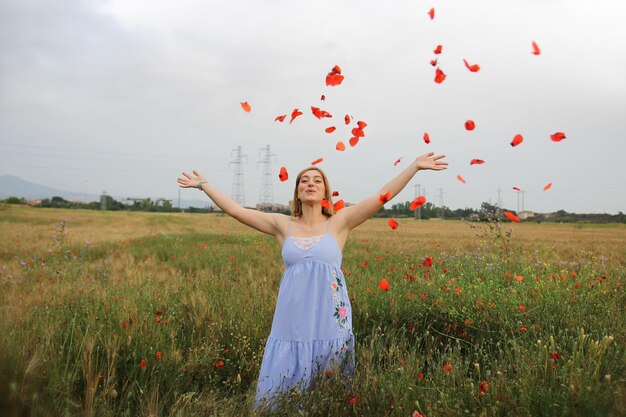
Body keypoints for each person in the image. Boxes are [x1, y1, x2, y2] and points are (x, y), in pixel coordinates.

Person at [176, 151, 448, 410]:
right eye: (304, 180)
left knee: (329, 379)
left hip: (329, 317)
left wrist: (414, 166)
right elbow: (236, 210)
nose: (310, 184)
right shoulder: (282, 225)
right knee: (284, 389)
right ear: (296, 191)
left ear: (325, 192)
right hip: (291, 319)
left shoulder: (340, 222)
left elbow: (380, 197)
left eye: (317, 180)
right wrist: (204, 186)